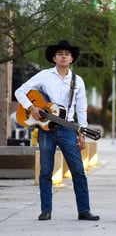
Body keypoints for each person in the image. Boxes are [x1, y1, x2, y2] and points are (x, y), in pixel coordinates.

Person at [14, 40, 99, 221]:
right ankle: (46, 210)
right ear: (54, 58)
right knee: (45, 171)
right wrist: (32, 108)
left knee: (78, 170)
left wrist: (81, 134)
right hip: (46, 129)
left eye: (66, 54)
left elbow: (82, 109)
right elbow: (20, 91)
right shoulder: (44, 76)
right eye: (59, 54)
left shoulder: (78, 81)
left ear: (72, 59)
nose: (63, 57)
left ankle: (84, 210)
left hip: (68, 129)